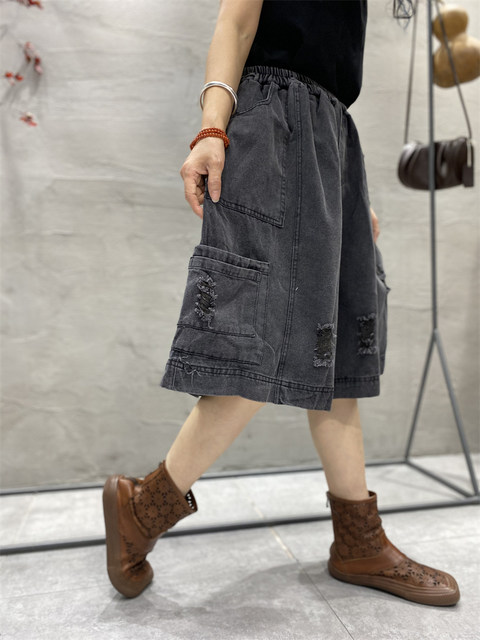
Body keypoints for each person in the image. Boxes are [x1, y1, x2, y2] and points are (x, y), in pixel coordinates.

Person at [102, 0, 460, 606]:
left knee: (338, 348)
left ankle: (358, 541)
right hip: (273, 125)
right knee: (261, 340)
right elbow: (236, 22)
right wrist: (212, 129)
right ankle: (145, 507)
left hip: (329, 135)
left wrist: (343, 190)